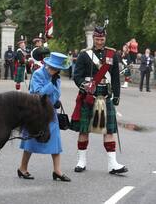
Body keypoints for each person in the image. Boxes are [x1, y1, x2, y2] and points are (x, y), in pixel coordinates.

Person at [70, 26, 128, 175]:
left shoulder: (112, 54)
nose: (100, 42)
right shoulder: (84, 55)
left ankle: (112, 164)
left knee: (109, 130)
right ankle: (81, 161)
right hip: (89, 95)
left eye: (102, 39)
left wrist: (117, 95)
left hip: (106, 94)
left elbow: (115, 77)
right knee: (84, 129)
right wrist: (85, 86)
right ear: (93, 39)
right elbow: (77, 76)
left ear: (105, 38)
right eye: (97, 39)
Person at [17, 52, 71, 182]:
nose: (56, 70)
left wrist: (55, 100)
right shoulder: (38, 74)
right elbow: (37, 94)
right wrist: (50, 85)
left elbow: (56, 94)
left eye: (58, 69)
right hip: (36, 111)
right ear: (48, 65)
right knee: (30, 140)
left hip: (50, 112)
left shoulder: (56, 77)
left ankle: (57, 171)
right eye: (54, 67)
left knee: (56, 140)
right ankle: (22, 168)